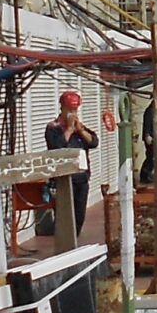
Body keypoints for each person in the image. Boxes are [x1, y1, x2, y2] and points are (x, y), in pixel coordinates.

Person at [40, 89, 98, 242]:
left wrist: (80, 130)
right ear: (62, 108)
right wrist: (69, 130)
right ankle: (64, 243)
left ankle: (75, 239)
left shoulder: (80, 128)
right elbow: (57, 146)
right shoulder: (53, 128)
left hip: (81, 178)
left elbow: (93, 142)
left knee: (79, 213)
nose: (73, 113)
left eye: (75, 110)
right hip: (63, 180)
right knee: (64, 216)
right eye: (70, 110)